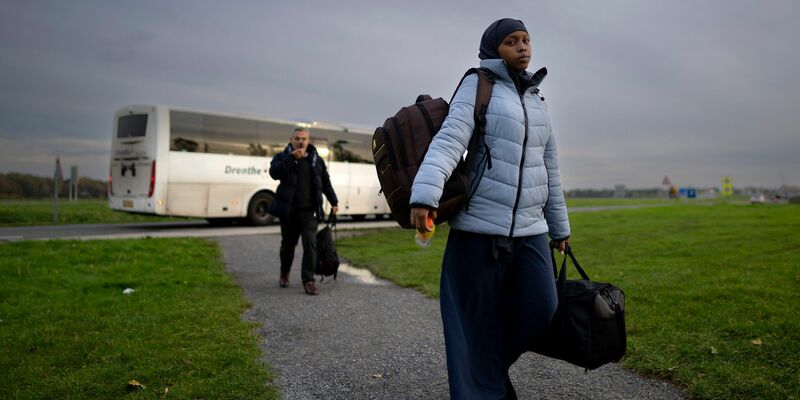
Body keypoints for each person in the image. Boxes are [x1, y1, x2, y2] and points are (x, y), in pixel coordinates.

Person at [409, 18, 571, 399]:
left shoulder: (536, 97)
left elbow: (548, 167)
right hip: (480, 229)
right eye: (512, 41)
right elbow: (451, 139)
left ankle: (487, 372)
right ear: (493, 48)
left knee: (542, 307)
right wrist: (425, 194)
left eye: (526, 40)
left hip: (531, 230)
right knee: (472, 321)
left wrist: (559, 227)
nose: (522, 47)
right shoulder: (479, 84)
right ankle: (481, 387)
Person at [269, 127, 338, 295]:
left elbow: (325, 182)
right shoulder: (282, 157)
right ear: (291, 140)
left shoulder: (316, 160)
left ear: (308, 141)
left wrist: (334, 201)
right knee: (287, 247)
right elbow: (274, 173)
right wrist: (291, 159)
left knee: (310, 245)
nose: (301, 141)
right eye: (297, 138)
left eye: (304, 139)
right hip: (289, 212)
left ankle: (308, 281)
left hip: (309, 212)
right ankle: (284, 273)